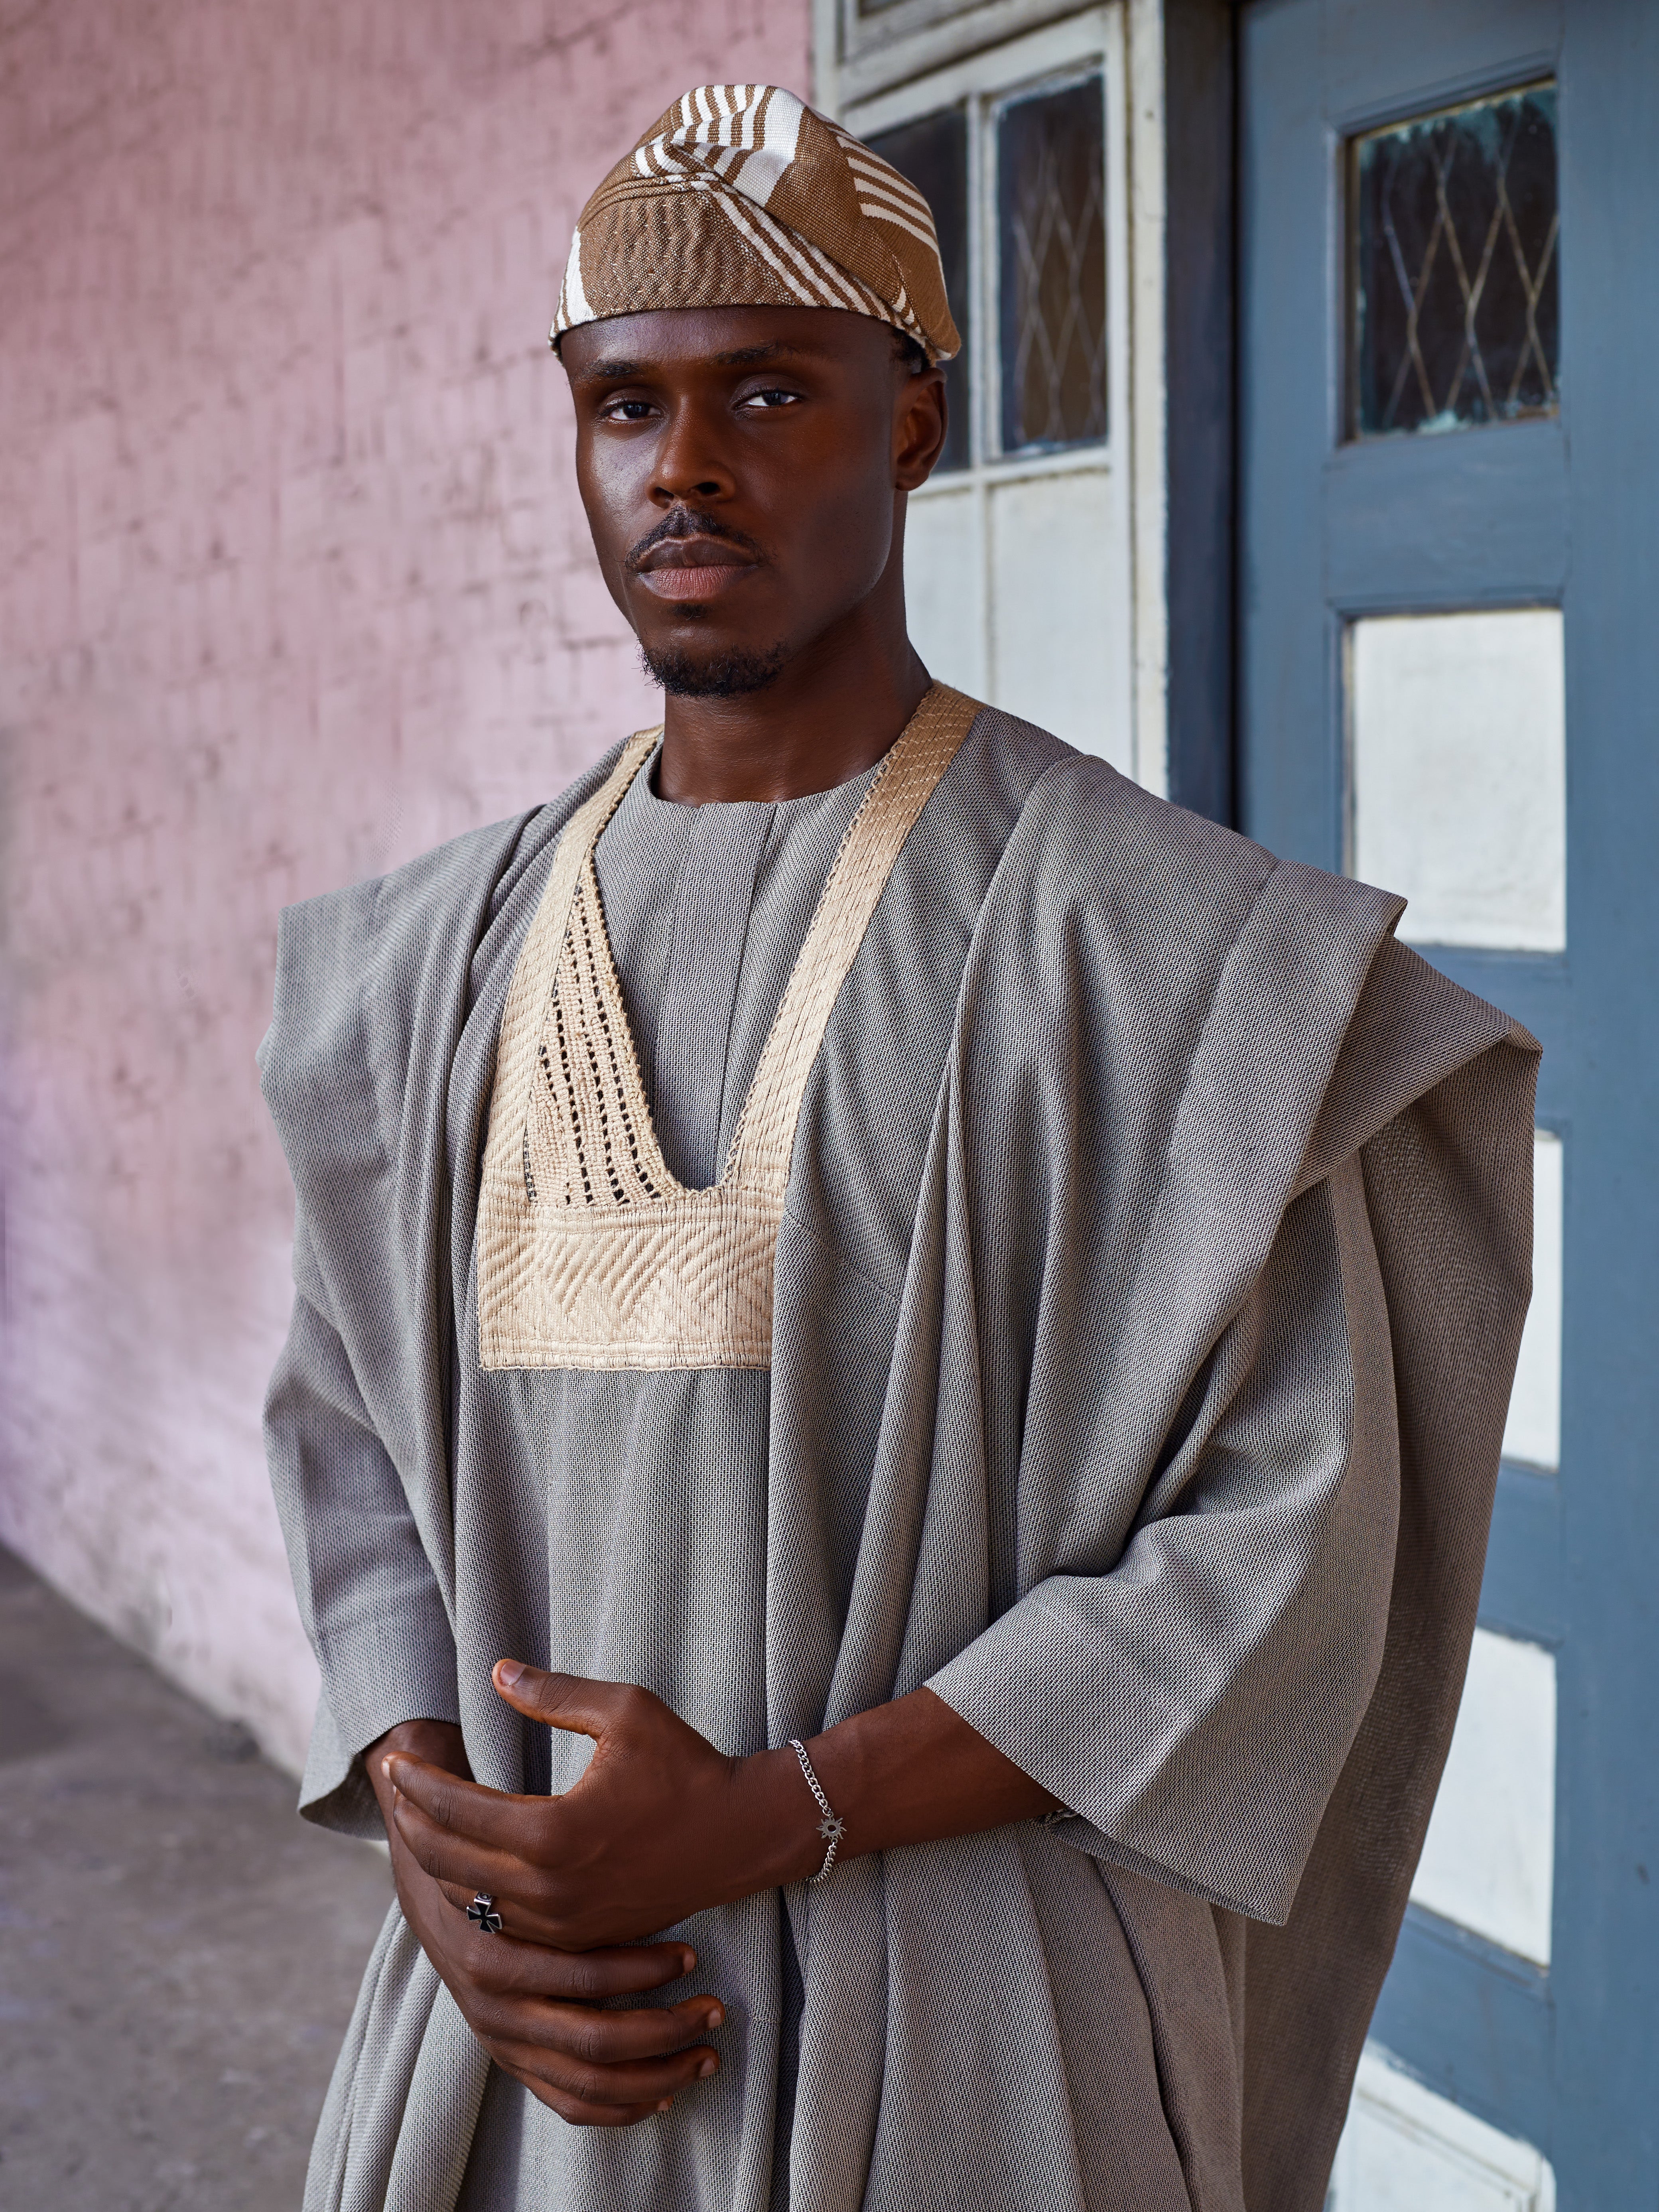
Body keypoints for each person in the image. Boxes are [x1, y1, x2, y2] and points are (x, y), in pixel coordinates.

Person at [260, 83, 1539, 2212]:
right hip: (526, 2052)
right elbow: (352, 1440)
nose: (685, 467)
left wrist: (782, 1814)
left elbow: (1284, 1541)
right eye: (626, 407)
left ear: (915, 426)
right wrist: (441, 1835)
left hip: (975, 2051)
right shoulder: (423, 974)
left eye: (771, 392)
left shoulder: (1162, 950)